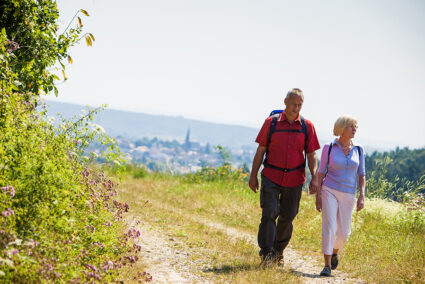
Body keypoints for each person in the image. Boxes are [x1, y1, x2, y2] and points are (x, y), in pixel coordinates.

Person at [248, 88, 321, 266]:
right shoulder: (271, 123)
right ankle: (266, 254)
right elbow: (261, 150)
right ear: (285, 102)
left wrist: (315, 178)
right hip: (271, 176)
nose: (296, 108)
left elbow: (311, 154)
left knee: (288, 216)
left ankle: (278, 250)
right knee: (269, 213)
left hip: (295, 179)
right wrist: (253, 176)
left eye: (300, 105)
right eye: (293, 104)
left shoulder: (307, 126)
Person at [315, 115, 365, 276]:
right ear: (342, 128)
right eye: (352, 126)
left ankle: (335, 250)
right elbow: (321, 172)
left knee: (344, 233)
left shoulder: (359, 149)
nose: (355, 129)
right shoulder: (328, 147)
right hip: (329, 190)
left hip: (349, 193)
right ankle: (327, 265)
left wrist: (362, 195)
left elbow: (362, 174)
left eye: (355, 126)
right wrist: (318, 195)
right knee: (329, 226)